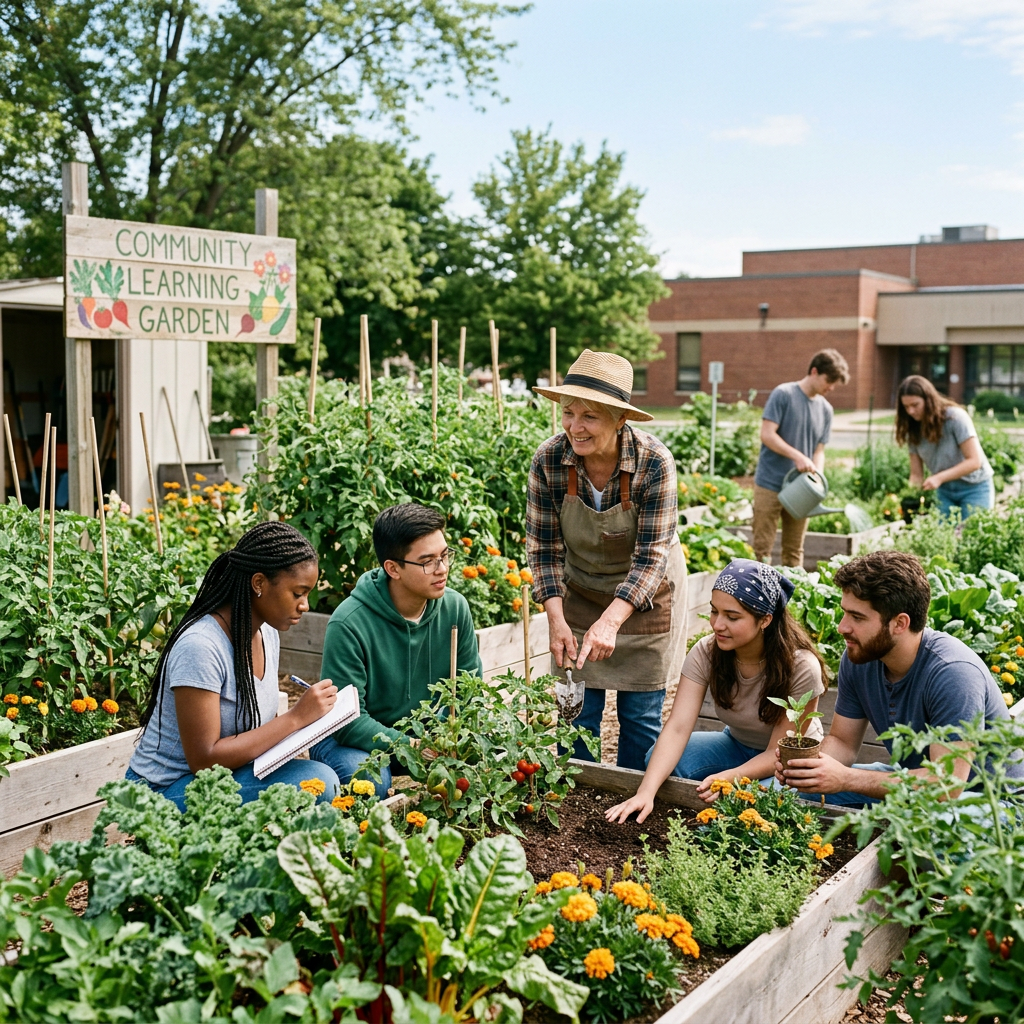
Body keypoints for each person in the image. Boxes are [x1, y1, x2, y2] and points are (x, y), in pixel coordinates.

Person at [528, 349, 687, 771]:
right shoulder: (549, 460)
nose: (574, 427)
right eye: (568, 413)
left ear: (620, 420)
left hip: (646, 597)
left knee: (639, 719)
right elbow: (543, 548)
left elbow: (651, 557)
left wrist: (612, 621)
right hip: (580, 592)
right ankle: (578, 798)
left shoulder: (653, 462)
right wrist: (556, 619)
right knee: (576, 716)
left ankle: (636, 800)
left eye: (590, 417)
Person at [776, 550, 1024, 806]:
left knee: (926, 822)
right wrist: (806, 769)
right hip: (917, 783)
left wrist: (847, 779)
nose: (842, 627)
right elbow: (843, 742)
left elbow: (946, 786)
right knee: (793, 792)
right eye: (845, 613)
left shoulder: (953, 673)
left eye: (857, 617)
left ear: (900, 623)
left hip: (996, 805)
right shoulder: (859, 658)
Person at [127, 521, 341, 811]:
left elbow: (260, 729)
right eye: (297, 593)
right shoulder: (201, 646)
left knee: (319, 779)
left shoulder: (267, 634)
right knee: (319, 781)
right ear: (259, 583)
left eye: (307, 594)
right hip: (162, 791)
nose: (305, 605)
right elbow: (203, 760)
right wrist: (296, 718)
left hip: (226, 777)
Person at [604, 559, 825, 823]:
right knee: (657, 763)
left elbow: (776, 753)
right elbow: (677, 727)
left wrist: (729, 777)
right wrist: (645, 792)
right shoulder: (707, 651)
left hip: (786, 762)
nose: (717, 624)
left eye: (732, 617)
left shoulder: (802, 667)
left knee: (754, 805)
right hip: (736, 744)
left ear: (765, 620)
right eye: (714, 611)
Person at [310, 504, 482, 797]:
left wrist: (445, 738)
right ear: (393, 568)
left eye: (444, 556)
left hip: (426, 738)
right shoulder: (349, 623)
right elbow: (347, 721)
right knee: (371, 782)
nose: (442, 569)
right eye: (428, 562)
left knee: (489, 757)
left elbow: (469, 690)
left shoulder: (455, 608)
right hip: (352, 740)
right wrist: (411, 746)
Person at [753, 349, 850, 567]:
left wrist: (817, 476)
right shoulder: (783, 394)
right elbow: (767, 434)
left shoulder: (826, 409)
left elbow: (819, 450)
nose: (831, 388)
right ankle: (758, 589)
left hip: (802, 489)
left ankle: (793, 590)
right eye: (829, 381)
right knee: (762, 549)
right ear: (814, 372)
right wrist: (797, 456)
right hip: (769, 484)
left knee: (794, 551)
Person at [895, 374, 994, 519]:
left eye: (915, 405)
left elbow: (974, 461)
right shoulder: (913, 429)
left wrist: (939, 478)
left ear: (928, 400)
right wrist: (909, 496)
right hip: (944, 491)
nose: (910, 411)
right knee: (941, 531)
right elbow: (916, 475)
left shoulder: (955, 418)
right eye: (906, 407)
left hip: (975, 487)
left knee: (972, 530)